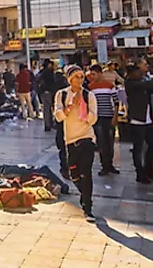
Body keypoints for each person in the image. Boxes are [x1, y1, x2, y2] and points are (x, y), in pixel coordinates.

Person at [55, 65, 98, 222]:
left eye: (81, 77)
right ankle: (84, 194)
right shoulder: (62, 94)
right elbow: (59, 116)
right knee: (74, 174)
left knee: (86, 172)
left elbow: (93, 119)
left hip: (87, 137)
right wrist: (71, 106)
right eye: (76, 77)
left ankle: (88, 206)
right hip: (70, 139)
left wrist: (83, 109)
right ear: (69, 79)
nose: (80, 80)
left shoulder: (89, 96)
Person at [125, 63, 153, 184]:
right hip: (137, 120)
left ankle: (149, 169)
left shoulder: (143, 81)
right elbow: (149, 84)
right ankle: (140, 173)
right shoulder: (131, 83)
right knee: (138, 148)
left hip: (147, 119)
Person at [88, 65, 119, 176]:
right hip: (98, 118)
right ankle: (104, 165)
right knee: (101, 142)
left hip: (109, 117)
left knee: (110, 142)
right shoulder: (91, 87)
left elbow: (116, 102)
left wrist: (115, 117)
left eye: (93, 74)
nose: (92, 76)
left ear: (100, 73)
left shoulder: (110, 86)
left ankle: (110, 165)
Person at [39, 59, 58, 131]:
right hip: (49, 92)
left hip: (43, 93)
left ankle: (47, 125)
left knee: (46, 109)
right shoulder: (49, 73)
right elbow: (52, 83)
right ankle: (51, 124)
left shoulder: (42, 72)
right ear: (49, 65)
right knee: (51, 108)